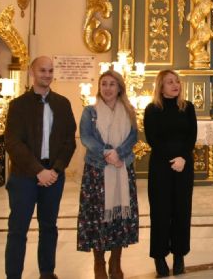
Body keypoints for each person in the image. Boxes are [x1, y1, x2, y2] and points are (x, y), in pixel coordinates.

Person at [4, 56, 77, 279]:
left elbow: (69, 141)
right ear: (32, 72)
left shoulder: (62, 104)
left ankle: (47, 272)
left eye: (50, 70)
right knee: (18, 230)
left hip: (53, 175)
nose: (47, 74)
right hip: (24, 176)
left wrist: (55, 170)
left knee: (49, 226)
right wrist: (38, 170)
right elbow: (13, 143)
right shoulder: (18, 106)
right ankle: (13, 275)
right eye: (42, 70)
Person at [77, 70, 139, 279]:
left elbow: (133, 136)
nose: (108, 88)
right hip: (97, 170)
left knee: (119, 217)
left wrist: (118, 153)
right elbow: (86, 137)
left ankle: (116, 262)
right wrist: (106, 153)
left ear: (119, 87)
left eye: (112, 84)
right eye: (104, 84)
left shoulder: (129, 111)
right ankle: (99, 263)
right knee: (98, 217)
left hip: (122, 167)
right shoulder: (90, 111)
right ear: (99, 87)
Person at [144, 70, 197, 277]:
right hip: (161, 166)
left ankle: (179, 255)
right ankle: (159, 257)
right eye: (169, 82)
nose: (175, 85)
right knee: (161, 212)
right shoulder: (152, 109)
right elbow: (152, 138)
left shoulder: (188, 107)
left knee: (182, 211)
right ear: (161, 86)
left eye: (177, 81)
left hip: (184, 165)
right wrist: (171, 160)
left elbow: (191, 135)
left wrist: (183, 158)